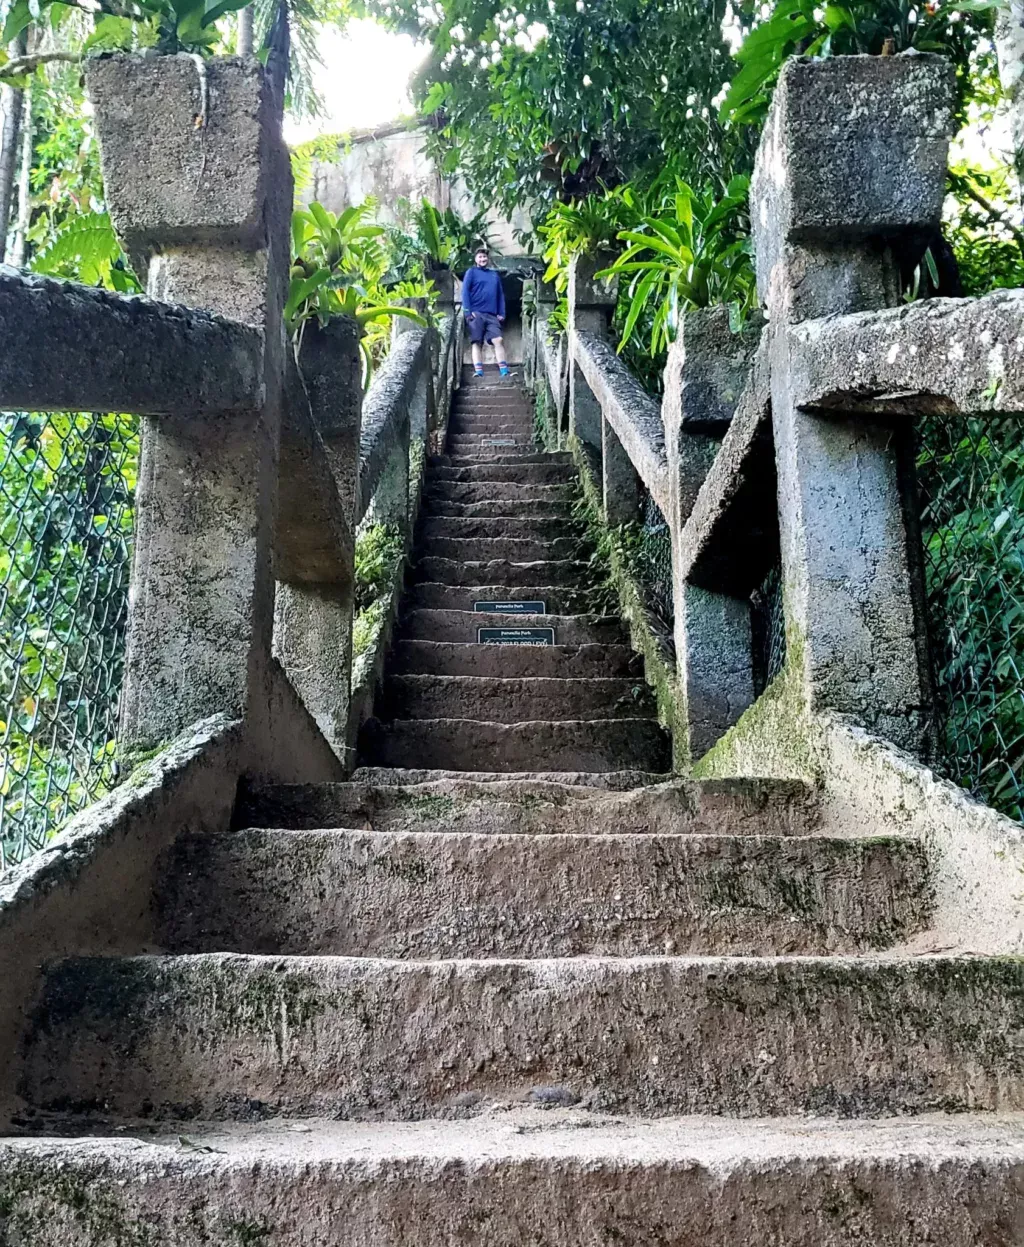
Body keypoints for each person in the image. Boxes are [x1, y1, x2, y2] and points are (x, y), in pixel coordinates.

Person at [461, 246, 510, 378]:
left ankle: (504, 370)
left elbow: (500, 295)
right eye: (480, 256)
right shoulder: (471, 272)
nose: (483, 259)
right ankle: (478, 371)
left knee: (498, 339)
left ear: (487, 259)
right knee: (477, 342)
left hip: (492, 314)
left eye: (484, 257)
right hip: (476, 313)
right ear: (476, 259)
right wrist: (467, 311)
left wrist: (502, 313)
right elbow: (465, 292)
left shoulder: (494, 275)